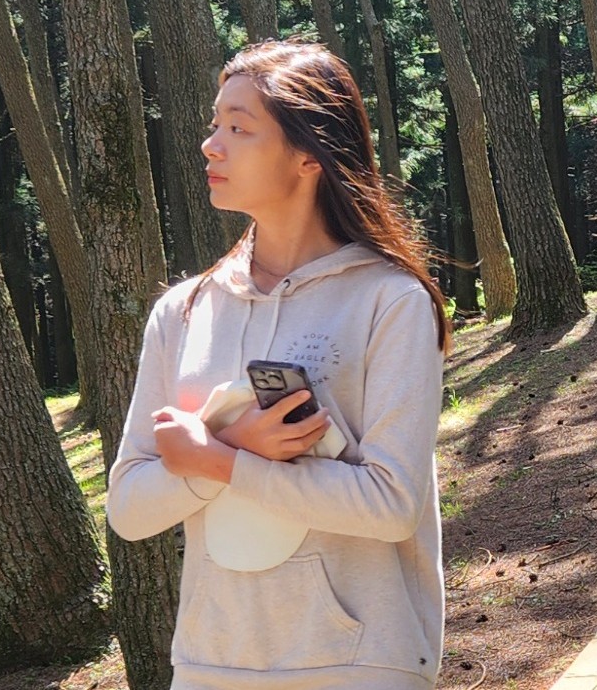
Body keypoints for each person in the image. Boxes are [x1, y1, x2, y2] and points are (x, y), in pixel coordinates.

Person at [108, 40, 449, 688]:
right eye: (215, 125)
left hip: (360, 660)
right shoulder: (184, 312)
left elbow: (392, 503)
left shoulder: (389, 301)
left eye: (239, 128)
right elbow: (128, 507)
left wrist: (221, 461)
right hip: (211, 662)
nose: (212, 144)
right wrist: (230, 445)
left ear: (308, 155)